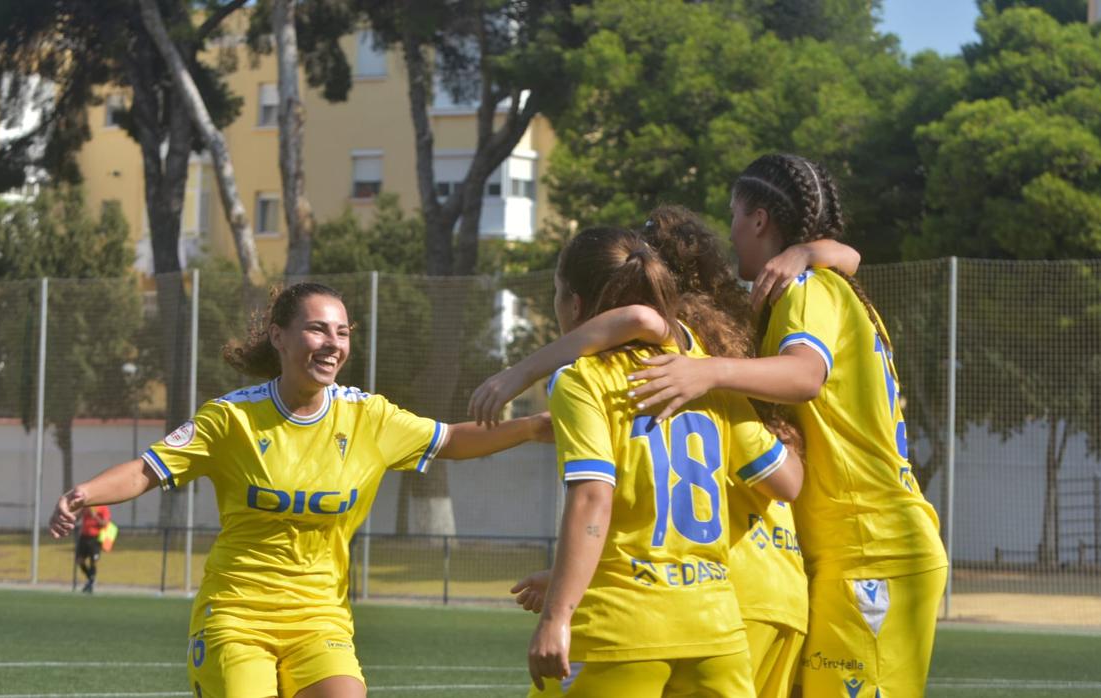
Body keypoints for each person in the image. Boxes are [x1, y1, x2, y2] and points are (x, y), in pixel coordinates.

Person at [49, 281, 551, 698]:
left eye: (342, 332)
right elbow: (148, 468)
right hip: (236, 615)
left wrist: (531, 427)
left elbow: (453, 440)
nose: (332, 343)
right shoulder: (232, 419)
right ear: (279, 337)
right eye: (317, 329)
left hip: (320, 619)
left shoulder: (370, 417)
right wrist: (83, 493)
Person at [483, 206, 860, 698]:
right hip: (715, 630)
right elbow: (787, 481)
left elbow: (594, 500)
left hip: (625, 626)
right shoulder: (705, 374)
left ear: (574, 305)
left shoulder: (582, 381)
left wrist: (558, 614)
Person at [625, 155, 948, 697]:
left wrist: (706, 372)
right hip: (854, 551)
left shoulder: (808, 288)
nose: (729, 233)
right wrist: (811, 250)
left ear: (758, 220)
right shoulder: (818, 280)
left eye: (734, 216)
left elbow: (805, 375)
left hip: (873, 551)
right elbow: (848, 258)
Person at [75, 504, 111, 593]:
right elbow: (77, 519)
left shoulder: (103, 507)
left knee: (93, 562)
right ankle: (91, 580)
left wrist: (94, 516)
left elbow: (105, 523)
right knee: (80, 560)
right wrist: (81, 511)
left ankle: (90, 583)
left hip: (95, 538)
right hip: (84, 537)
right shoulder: (87, 506)